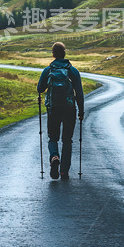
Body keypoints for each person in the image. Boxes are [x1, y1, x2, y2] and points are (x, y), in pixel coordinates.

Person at [37, 42, 85, 180]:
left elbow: (40, 89)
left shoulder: (48, 70)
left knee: (53, 138)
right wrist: (81, 111)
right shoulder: (73, 71)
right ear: (64, 53)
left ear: (53, 54)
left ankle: (54, 156)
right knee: (67, 140)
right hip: (69, 109)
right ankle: (64, 171)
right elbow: (79, 94)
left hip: (53, 108)